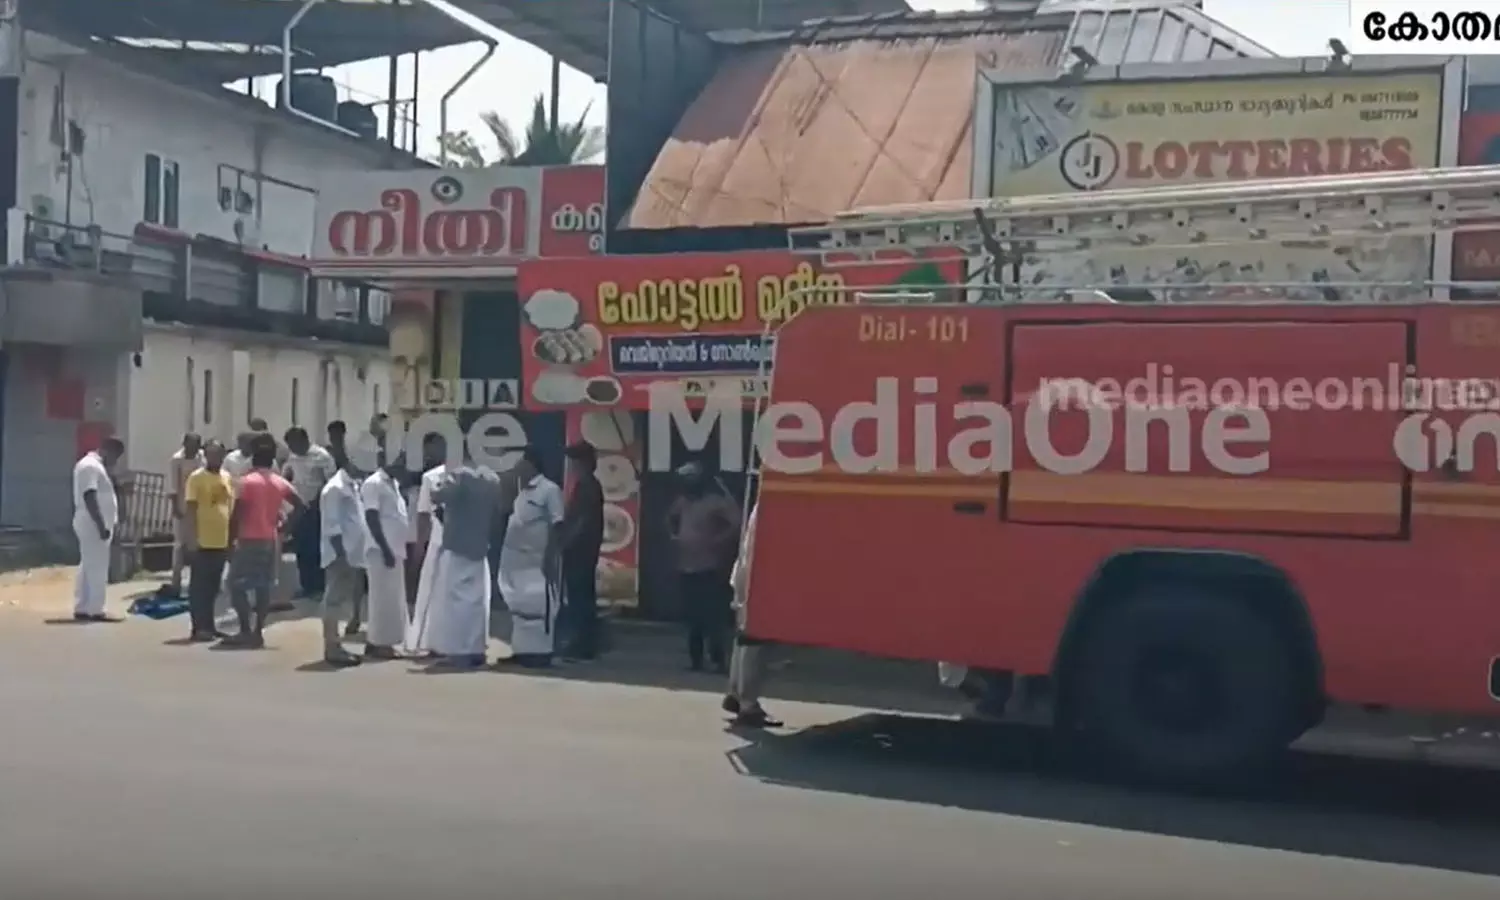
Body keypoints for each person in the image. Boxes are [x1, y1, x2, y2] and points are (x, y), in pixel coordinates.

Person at [222, 434, 305, 648]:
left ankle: (244, 630)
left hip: (248, 539)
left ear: (253, 459)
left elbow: (236, 513)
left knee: (235, 584)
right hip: (270, 539)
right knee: (263, 586)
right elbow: (301, 506)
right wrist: (285, 528)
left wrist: (230, 541)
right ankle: (258, 630)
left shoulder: (245, 482)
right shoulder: (279, 482)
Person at [427, 458, 504, 668]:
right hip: (480, 547)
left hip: (458, 546)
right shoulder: (492, 479)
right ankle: (476, 648)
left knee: (455, 602)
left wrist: (438, 485)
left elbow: (437, 495)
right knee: (477, 602)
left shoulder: (460, 476)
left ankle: (458, 652)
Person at [667, 463, 741, 672]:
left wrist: (717, 540)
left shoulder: (714, 502)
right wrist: (675, 537)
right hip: (686, 566)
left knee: (713, 617)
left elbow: (736, 522)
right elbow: (669, 519)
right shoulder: (682, 503)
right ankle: (696, 660)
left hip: (708, 567)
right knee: (693, 618)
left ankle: (718, 660)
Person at [496, 447, 565, 667]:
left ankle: (541, 653)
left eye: (521, 464)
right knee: (519, 608)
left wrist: (550, 556)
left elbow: (557, 524)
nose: (518, 469)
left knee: (538, 608)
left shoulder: (549, 490)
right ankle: (521, 651)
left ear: (531, 464)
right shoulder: (523, 492)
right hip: (517, 562)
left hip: (537, 561)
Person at [722, 503, 782, 728]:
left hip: (746, 574)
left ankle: (736, 693)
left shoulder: (762, 505)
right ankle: (748, 704)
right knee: (755, 640)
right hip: (755, 577)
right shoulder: (771, 508)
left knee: (744, 636)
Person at [317, 450, 365, 667]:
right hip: (340, 554)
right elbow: (332, 525)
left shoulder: (352, 485)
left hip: (352, 553)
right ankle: (332, 646)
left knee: (340, 599)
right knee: (333, 600)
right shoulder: (334, 488)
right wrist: (341, 554)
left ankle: (335, 644)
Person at [182, 440, 233, 642]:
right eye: (211, 454)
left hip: (221, 539)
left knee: (213, 587)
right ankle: (198, 628)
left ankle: (210, 626)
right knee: (199, 587)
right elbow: (191, 510)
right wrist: (191, 539)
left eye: (219, 454)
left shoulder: (226, 477)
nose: (215, 458)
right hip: (202, 540)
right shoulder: (196, 478)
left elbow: (229, 507)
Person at [360, 453, 410, 659]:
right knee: (382, 599)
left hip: (394, 549)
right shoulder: (374, 483)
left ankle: (378, 641)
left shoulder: (393, 484)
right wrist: (385, 549)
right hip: (381, 550)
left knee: (391, 599)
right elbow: (371, 517)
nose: (401, 464)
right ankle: (380, 644)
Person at [558, 441, 605, 660]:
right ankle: (584, 641)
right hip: (582, 549)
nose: (572, 465)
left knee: (580, 597)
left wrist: (567, 542)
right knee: (580, 595)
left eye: (575, 460)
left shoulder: (588, 485)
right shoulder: (584, 484)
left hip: (581, 550)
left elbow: (583, 521)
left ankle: (584, 643)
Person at [71, 437, 125, 623]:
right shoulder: (90, 466)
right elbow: (89, 496)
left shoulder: (95, 466)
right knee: (98, 567)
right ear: (107, 450)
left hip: (93, 523)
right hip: (92, 523)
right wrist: (101, 525)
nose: (115, 462)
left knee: (88, 566)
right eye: (116, 457)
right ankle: (96, 609)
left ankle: (83, 606)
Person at [404, 435, 447, 657]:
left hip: (439, 544)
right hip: (442, 544)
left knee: (432, 594)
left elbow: (423, 518)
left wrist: (419, 551)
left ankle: (431, 640)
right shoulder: (427, 477)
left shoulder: (431, 478)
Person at [282, 427, 337, 599]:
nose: (292, 448)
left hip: (316, 508)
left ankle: (319, 587)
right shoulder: (292, 457)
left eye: (294, 444)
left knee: (316, 548)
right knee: (301, 548)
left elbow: (331, 481)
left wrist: (317, 501)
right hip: (298, 508)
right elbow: (287, 476)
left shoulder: (322, 456)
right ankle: (306, 585)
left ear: (304, 440)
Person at [167, 433, 204, 595]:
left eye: (196, 445)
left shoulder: (202, 458)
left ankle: (198, 581)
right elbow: (173, 486)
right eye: (191, 445)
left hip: (200, 507)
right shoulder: (176, 460)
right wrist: (175, 508)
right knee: (180, 545)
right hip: (182, 506)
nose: (193, 449)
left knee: (199, 544)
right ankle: (176, 581)